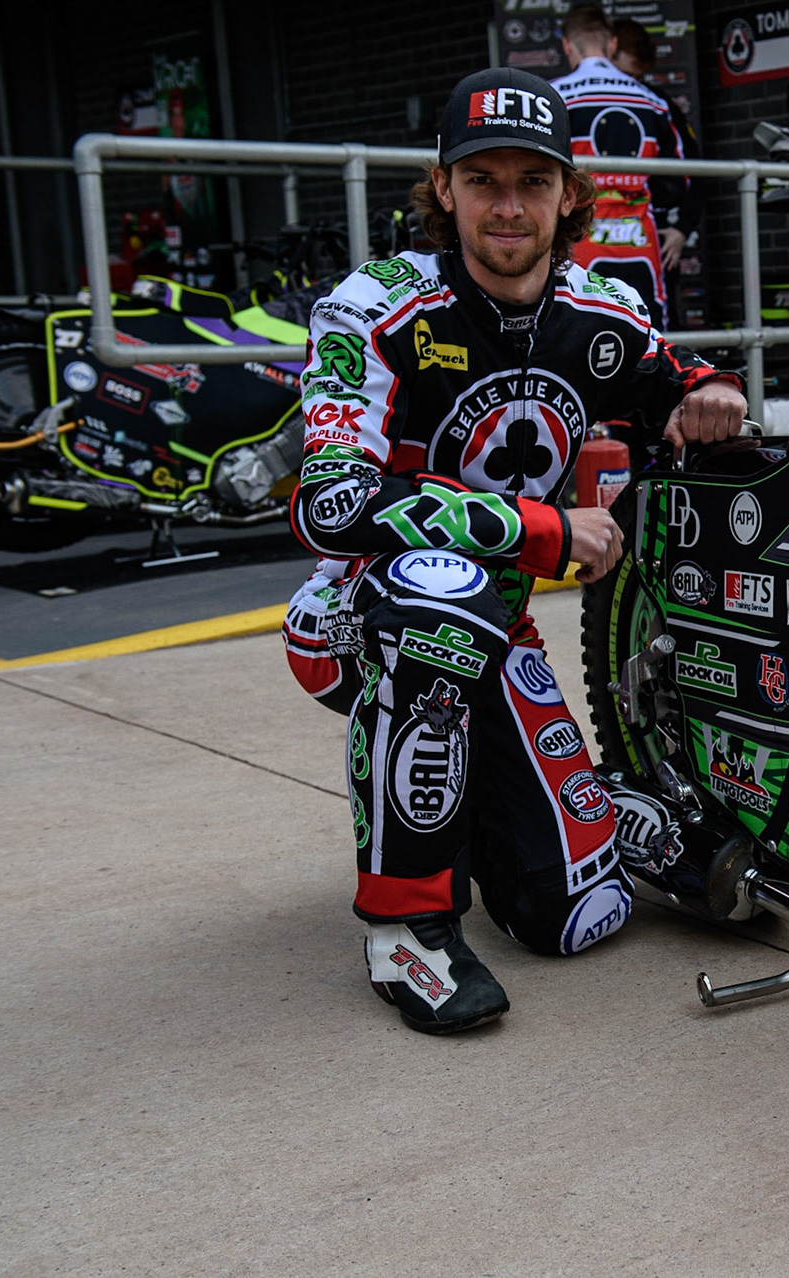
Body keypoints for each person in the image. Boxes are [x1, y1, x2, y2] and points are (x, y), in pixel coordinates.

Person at [280, 66, 746, 1034]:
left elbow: (672, 378)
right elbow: (330, 505)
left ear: (570, 194)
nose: (506, 207)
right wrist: (541, 532)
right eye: (481, 180)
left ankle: (590, 811)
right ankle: (405, 931)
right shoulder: (373, 305)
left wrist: (712, 389)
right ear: (441, 188)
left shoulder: (602, 309)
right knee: (441, 592)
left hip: (500, 623)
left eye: (532, 182)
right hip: (357, 612)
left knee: (573, 916)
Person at [551, 6, 697, 327]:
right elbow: (682, 178)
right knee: (648, 330)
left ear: (567, 45)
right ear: (612, 43)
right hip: (640, 236)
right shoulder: (653, 101)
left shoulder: (554, 98)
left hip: (580, 236)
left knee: (578, 326)